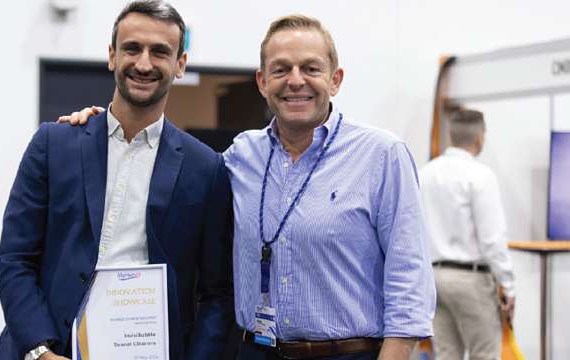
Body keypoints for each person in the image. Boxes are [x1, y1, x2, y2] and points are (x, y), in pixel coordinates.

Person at [61, 14, 435, 360]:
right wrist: (105, 129)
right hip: (253, 351)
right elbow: (166, 169)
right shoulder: (239, 156)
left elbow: (409, 277)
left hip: (349, 353)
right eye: (281, 69)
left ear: (335, 79)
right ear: (262, 82)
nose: (295, 80)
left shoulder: (381, 155)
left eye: (310, 68)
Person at [0, 1, 233, 359]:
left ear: (180, 64)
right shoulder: (53, 144)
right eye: (132, 48)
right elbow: (14, 259)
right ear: (111, 56)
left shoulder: (206, 168)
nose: (144, 63)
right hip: (43, 350)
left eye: (160, 52)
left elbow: (216, 293)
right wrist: (40, 351)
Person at [419, 109, 515, 360]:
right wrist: (508, 285)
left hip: (433, 277)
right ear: (480, 139)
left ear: (451, 136)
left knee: (447, 355)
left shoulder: (425, 173)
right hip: (469, 280)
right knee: (484, 354)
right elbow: (492, 238)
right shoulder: (481, 175)